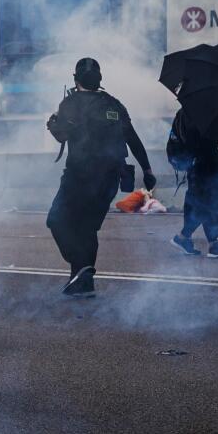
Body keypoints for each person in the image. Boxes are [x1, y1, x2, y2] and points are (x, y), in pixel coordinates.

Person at [45, 58, 155, 298]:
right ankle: (82, 284)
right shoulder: (113, 104)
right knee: (87, 229)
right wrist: (147, 170)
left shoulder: (70, 103)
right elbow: (133, 139)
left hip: (79, 177)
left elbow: (61, 136)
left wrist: (52, 123)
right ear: (99, 80)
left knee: (56, 220)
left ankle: (80, 268)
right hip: (109, 179)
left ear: (75, 79)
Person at [168, 110, 218, 258]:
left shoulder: (190, 113)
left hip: (206, 163)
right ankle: (207, 243)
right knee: (204, 204)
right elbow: (196, 142)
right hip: (202, 165)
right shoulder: (192, 115)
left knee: (207, 203)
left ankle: (189, 239)